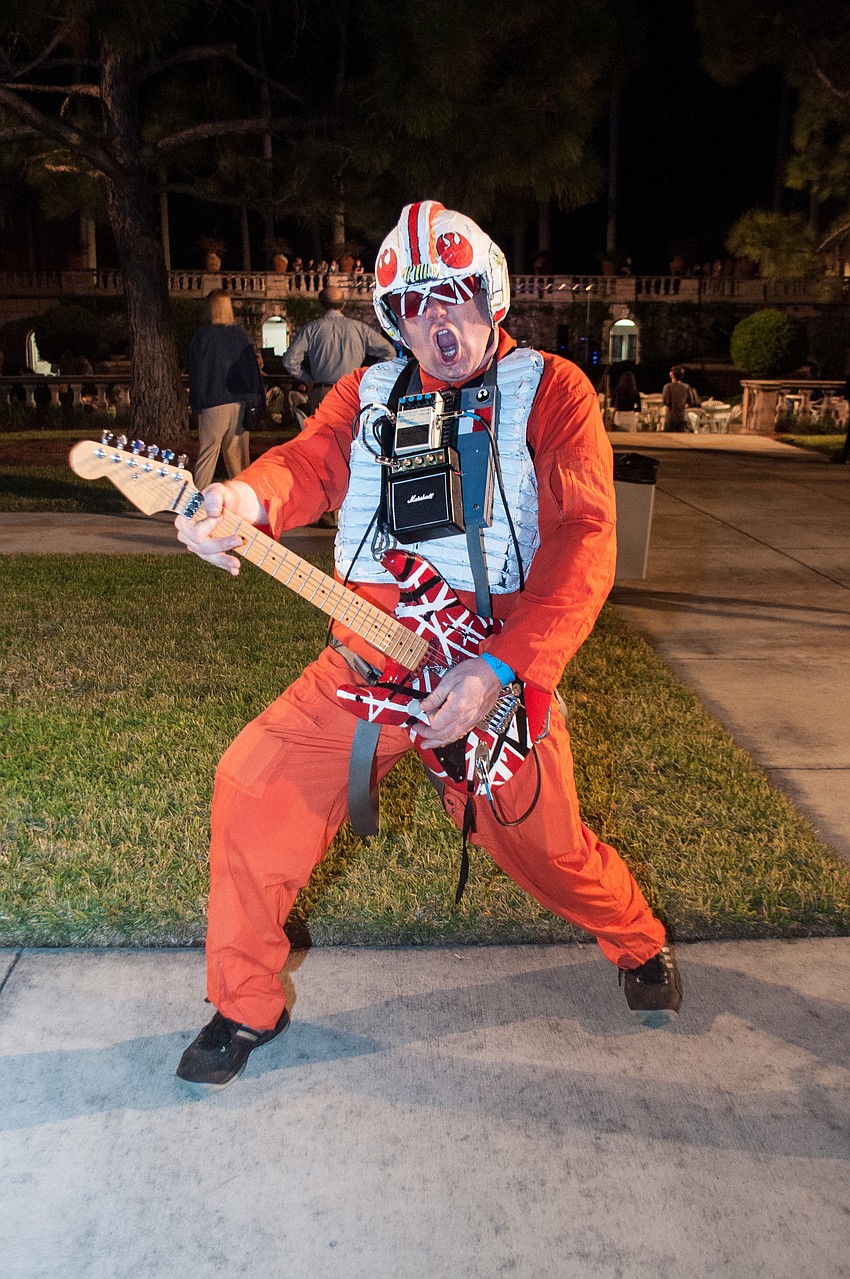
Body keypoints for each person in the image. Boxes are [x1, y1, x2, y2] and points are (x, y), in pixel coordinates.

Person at [174, 200, 682, 1090]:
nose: (436, 323)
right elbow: (308, 462)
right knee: (252, 787)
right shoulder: (367, 391)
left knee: (551, 852)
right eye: (415, 305)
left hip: (493, 670)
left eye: (453, 298)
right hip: (366, 665)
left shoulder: (554, 389)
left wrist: (498, 670)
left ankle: (637, 939)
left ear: (491, 299)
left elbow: (586, 539)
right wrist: (242, 502)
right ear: (393, 319)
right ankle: (246, 1000)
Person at [188, 290, 265, 492]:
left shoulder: (202, 336)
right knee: (238, 456)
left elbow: (196, 372)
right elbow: (251, 369)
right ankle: (244, 501)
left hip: (213, 400)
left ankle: (197, 501)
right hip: (239, 401)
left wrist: (195, 402)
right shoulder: (240, 335)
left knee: (208, 453)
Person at [282, 284, 395, 415]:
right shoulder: (360, 328)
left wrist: (308, 379)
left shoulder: (311, 329)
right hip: (352, 392)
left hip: (323, 393)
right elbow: (389, 352)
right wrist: (367, 376)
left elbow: (289, 361)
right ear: (343, 304)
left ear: (321, 305)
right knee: (352, 433)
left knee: (322, 433)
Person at [661, 366, 699, 432]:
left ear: (671, 375)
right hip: (682, 417)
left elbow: (665, 402)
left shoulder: (668, 387)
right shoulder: (686, 387)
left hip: (670, 417)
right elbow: (691, 402)